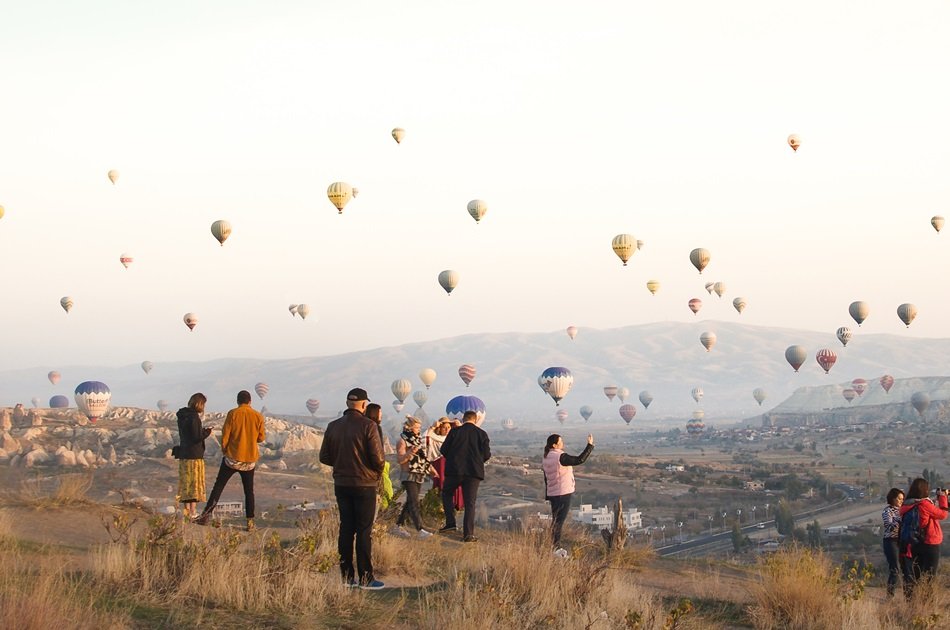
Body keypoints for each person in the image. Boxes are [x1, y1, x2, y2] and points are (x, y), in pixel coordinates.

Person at [319, 388, 386, 589]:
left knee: (346, 529)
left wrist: (341, 464)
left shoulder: (333, 426)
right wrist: (376, 472)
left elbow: (324, 456)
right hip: (364, 484)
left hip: (342, 484)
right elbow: (378, 458)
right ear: (364, 405)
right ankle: (366, 577)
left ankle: (347, 577)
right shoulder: (369, 426)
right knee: (364, 531)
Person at [194, 390, 265, 531]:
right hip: (249, 460)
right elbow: (261, 438)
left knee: (218, 487)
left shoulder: (233, 414)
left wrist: (225, 450)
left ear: (238, 401)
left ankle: (205, 516)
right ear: (250, 401)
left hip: (232, 458)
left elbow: (225, 435)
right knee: (249, 492)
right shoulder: (258, 416)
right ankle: (250, 523)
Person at [439, 410, 491, 542]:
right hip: (473, 473)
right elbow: (487, 455)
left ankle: (450, 523)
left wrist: (453, 459)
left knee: (447, 494)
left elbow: (443, 450)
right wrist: (477, 461)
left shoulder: (455, 432)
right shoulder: (482, 434)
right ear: (476, 419)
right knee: (470, 503)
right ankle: (468, 534)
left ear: (463, 419)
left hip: (454, 470)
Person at [543, 433, 594, 557]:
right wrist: (590, 446)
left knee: (556, 520)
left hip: (553, 492)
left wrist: (548, 492)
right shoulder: (560, 457)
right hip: (563, 492)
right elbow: (579, 460)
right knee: (559, 521)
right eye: (560, 442)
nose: (563, 444)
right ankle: (556, 548)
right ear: (555, 445)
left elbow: (546, 477)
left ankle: (554, 546)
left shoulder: (546, 456)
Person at [900, 477, 948, 597]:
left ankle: (913, 601)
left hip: (914, 543)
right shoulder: (924, 504)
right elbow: (942, 515)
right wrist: (943, 497)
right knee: (929, 576)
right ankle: (926, 604)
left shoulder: (906, 505)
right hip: (930, 542)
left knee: (917, 574)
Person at [393, 416, 433, 538]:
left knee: (410, 501)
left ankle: (398, 525)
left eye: (419, 427)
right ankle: (420, 529)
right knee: (414, 501)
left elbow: (423, 458)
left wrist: (432, 470)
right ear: (409, 427)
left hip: (419, 474)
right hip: (408, 474)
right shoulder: (402, 440)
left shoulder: (417, 440)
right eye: (416, 427)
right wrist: (410, 453)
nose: (418, 429)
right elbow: (400, 459)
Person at [175, 393, 212, 519]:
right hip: (195, 455)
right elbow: (196, 437)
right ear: (200, 404)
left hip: (184, 453)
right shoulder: (194, 417)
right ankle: (193, 511)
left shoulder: (182, 416)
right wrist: (207, 432)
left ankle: (186, 511)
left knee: (186, 483)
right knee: (195, 484)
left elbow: (189, 434)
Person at [881, 487, 904, 597]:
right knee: (895, 568)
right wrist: (898, 520)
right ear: (893, 499)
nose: (901, 501)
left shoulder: (903, 510)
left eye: (902, 499)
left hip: (902, 540)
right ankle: (890, 596)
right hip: (891, 541)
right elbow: (889, 526)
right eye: (899, 499)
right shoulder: (887, 511)